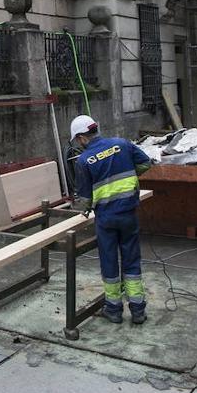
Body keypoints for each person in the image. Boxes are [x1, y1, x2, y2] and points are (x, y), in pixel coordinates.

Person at [69, 114, 153, 325]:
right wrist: (130, 178)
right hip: (128, 214)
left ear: (81, 137)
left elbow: (85, 198)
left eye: (77, 141)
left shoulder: (83, 161)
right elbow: (145, 163)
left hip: (106, 218)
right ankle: (138, 311)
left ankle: (114, 310)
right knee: (131, 260)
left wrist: (85, 208)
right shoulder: (121, 144)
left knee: (109, 262)